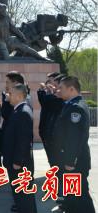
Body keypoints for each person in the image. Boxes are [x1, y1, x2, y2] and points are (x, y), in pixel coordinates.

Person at [53, 76, 95, 213]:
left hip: (74, 163)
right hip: (71, 161)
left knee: (80, 197)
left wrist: (70, 161)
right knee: (72, 196)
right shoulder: (72, 105)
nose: (59, 91)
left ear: (71, 89)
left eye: (61, 88)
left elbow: (74, 138)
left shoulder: (76, 108)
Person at [2, 83, 37, 213]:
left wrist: (17, 161)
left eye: (10, 94)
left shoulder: (23, 112)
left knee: (24, 198)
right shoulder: (19, 110)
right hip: (17, 162)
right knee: (21, 197)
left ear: (18, 95)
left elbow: (24, 140)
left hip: (19, 164)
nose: (8, 96)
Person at [37, 72, 64, 167]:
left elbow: (48, 103)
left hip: (57, 139)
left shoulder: (61, 99)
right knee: (53, 161)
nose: (49, 83)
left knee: (57, 163)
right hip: (47, 131)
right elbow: (44, 103)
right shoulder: (51, 95)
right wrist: (42, 91)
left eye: (51, 81)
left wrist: (47, 92)